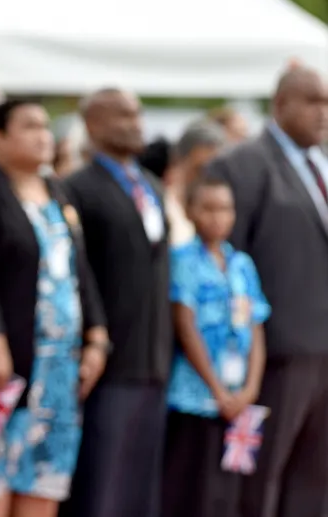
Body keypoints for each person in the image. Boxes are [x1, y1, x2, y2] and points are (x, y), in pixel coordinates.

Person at [0, 100, 108, 517]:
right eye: (30, 126)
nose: (43, 135)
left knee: (42, 486)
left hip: (58, 371)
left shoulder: (57, 192)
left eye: (45, 126)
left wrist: (97, 337)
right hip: (4, 369)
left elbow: (78, 268)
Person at [205, 66, 328, 517]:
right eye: (313, 101)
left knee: (314, 478)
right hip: (274, 353)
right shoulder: (241, 166)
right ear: (280, 105)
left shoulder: (321, 164)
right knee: (261, 480)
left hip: (323, 351)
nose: (323, 113)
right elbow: (228, 262)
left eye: (327, 103)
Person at [59, 88, 172, 517]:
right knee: (100, 487)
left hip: (153, 361)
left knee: (139, 490)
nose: (135, 123)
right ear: (93, 124)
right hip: (108, 364)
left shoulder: (152, 186)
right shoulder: (77, 189)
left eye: (137, 114)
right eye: (123, 115)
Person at [161, 176, 269, 517]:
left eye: (225, 209)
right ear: (190, 211)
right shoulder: (184, 260)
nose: (217, 217)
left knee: (225, 495)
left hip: (238, 401)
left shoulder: (242, 264)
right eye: (208, 208)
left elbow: (256, 326)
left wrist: (250, 388)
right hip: (195, 397)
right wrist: (217, 389)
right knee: (189, 491)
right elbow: (185, 325)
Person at [163, 121, 226, 246]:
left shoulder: (225, 212)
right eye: (200, 169)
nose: (208, 179)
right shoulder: (162, 205)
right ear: (178, 162)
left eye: (216, 171)